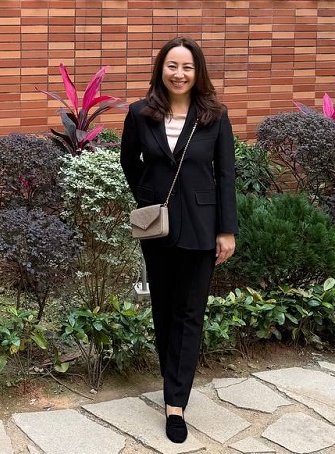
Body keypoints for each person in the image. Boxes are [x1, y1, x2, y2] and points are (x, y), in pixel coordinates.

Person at [119, 36, 237, 444]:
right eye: (173, 66)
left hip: (203, 227)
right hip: (159, 229)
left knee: (190, 314)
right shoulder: (140, 113)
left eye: (187, 67)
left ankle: (175, 404)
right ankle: (173, 382)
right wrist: (148, 199)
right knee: (164, 310)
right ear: (161, 69)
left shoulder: (215, 116)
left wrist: (227, 229)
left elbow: (226, 174)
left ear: (197, 72)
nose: (179, 74)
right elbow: (128, 161)